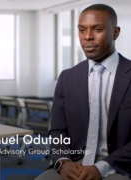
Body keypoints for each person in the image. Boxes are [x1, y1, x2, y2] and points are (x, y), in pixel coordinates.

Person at [35, 3, 131, 180]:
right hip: (74, 162)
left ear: (115, 32)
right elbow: (57, 130)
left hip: (119, 166)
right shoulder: (67, 77)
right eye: (81, 30)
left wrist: (101, 167)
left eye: (97, 29)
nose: (87, 37)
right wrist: (63, 161)